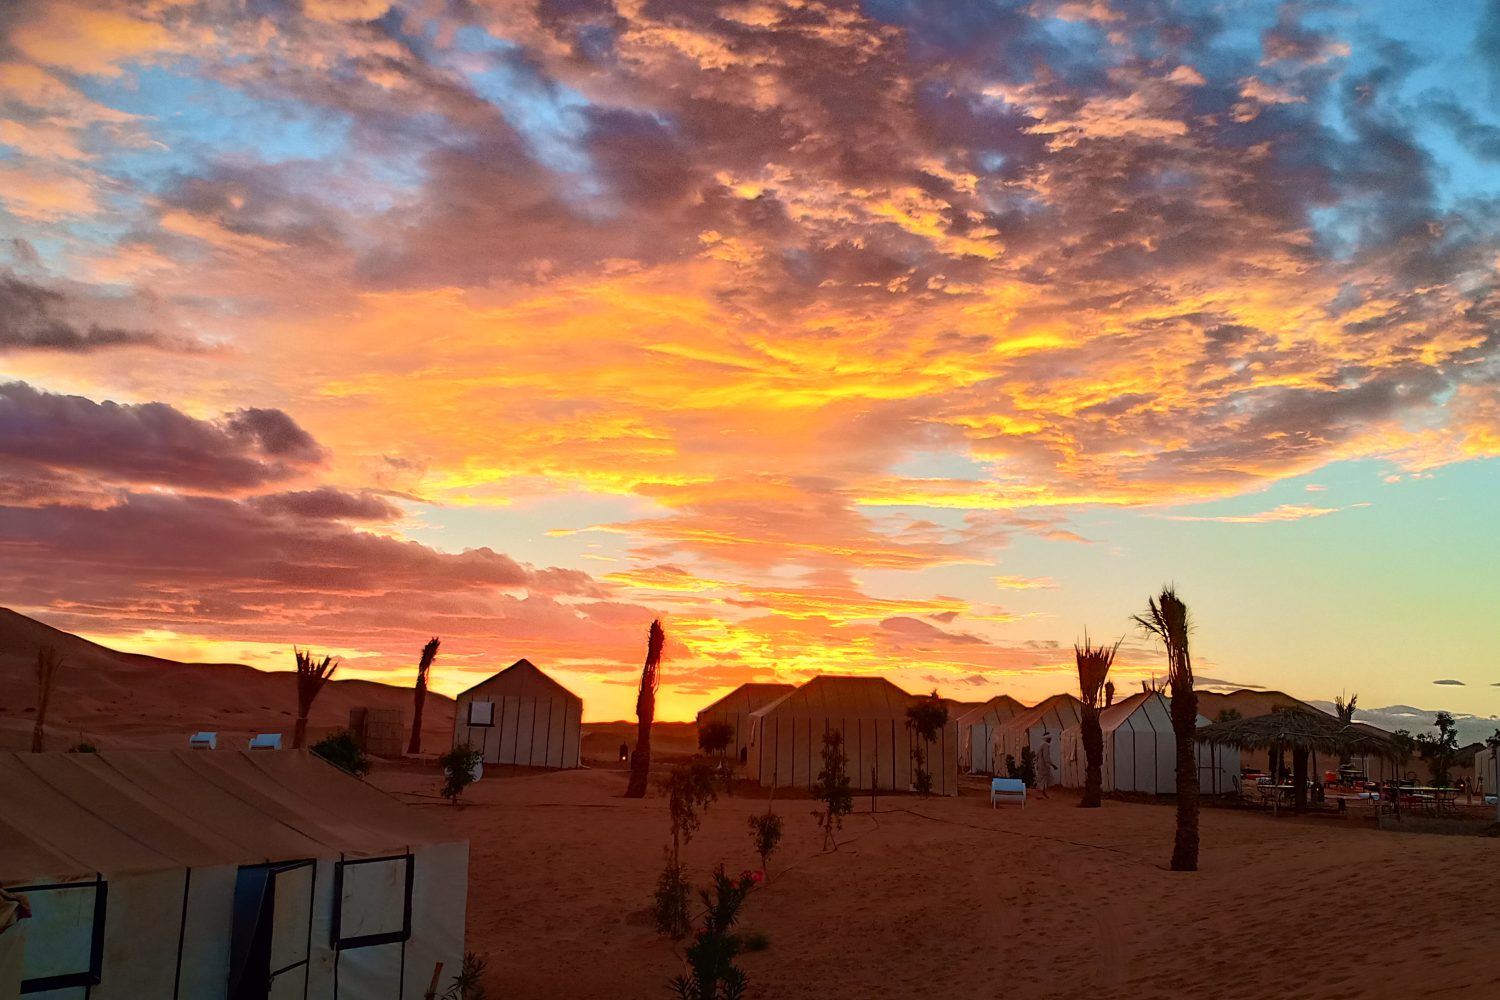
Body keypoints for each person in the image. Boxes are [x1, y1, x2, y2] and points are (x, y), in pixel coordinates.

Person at [1037, 731, 1057, 799]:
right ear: (1047, 738)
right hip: (1044, 765)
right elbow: (1046, 757)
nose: (1050, 740)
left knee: (1042, 779)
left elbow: (1038, 756)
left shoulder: (1041, 744)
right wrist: (1051, 764)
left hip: (1040, 764)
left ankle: (1043, 792)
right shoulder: (1045, 745)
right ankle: (1040, 794)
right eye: (1050, 738)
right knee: (1043, 779)